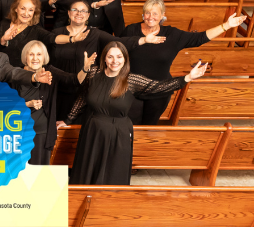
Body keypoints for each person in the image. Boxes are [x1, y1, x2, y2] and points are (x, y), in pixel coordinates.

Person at [60, 42, 208, 185]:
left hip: (117, 133)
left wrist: (188, 77)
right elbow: (83, 97)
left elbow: (159, 87)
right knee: (87, 171)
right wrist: (68, 119)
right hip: (92, 131)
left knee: (112, 172)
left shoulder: (131, 80)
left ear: (125, 59)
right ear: (104, 58)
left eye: (119, 57)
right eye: (110, 56)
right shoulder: (93, 74)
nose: (114, 61)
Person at [122, 0, 248, 125]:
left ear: (162, 15)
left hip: (160, 90)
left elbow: (200, 38)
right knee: (126, 124)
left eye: (155, 13)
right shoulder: (131, 30)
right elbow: (118, 49)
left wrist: (226, 25)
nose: (150, 17)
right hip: (131, 89)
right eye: (147, 12)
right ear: (143, 14)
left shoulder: (173, 35)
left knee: (148, 126)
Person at [50, 0, 159, 122]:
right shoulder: (56, 34)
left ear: (88, 15)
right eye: (75, 10)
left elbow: (119, 42)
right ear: (69, 13)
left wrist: (143, 40)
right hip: (57, 88)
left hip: (83, 90)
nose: (79, 13)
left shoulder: (95, 34)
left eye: (83, 11)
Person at [13, 40, 90, 165]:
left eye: (39, 54)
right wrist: (29, 104)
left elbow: (74, 80)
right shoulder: (16, 74)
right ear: (25, 57)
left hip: (41, 133)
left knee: (39, 175)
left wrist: (85, 69)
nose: (35, 58)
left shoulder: (50, 72)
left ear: (44, 57)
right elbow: (7, 106)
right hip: (17, 132)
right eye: (31, 54)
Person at [0, 0, 83, 68]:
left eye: (30, 10)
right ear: (15, 9)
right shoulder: (4, 24)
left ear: (34, 12)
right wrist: (3, 39)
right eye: (23, 8)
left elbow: (53, 38)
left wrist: (72, 39)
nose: (26, 13)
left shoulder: (36, 30)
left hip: (21, 76)